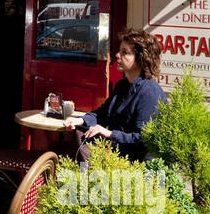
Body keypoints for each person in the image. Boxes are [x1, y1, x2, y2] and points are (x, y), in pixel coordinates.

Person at [62, 27, 166, 164]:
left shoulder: (150, 92)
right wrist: (79, 121)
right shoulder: (123, 85)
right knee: (80, 134)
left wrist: (109, 134)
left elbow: (145, 140)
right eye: (119, 51)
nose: (117, 55)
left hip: (137, 166)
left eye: (125, 53)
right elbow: (103, 114)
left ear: (141, 59)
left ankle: (85, 181)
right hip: (118, 155)